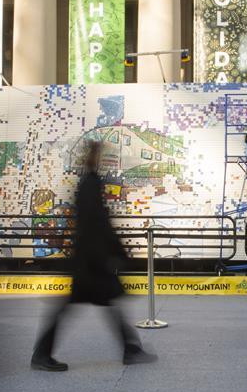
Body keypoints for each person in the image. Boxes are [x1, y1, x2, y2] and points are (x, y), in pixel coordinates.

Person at [31, 142, 157, 371]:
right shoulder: (91, 184)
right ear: (95, 157)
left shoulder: (87, 183)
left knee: (101, 303)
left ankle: (130, 349)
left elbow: (94, 224)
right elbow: (98, 224)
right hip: (92, 262)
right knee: (101, 303)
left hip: (88, 260)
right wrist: (115, 253)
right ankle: (129, 350)